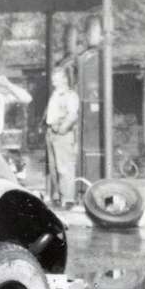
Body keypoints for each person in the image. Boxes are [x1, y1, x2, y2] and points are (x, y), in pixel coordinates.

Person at [44, 65, 82, 208]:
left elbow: (72, 115)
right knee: (54, 168)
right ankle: (59, 197)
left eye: (57, 77)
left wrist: (62, 129)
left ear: (65, 79)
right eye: (53, 76)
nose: (53, 79)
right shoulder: (55, 94)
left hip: (62, 134)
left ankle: (68, 199)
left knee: (65, 167)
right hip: (51, 132)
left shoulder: (70, 95)